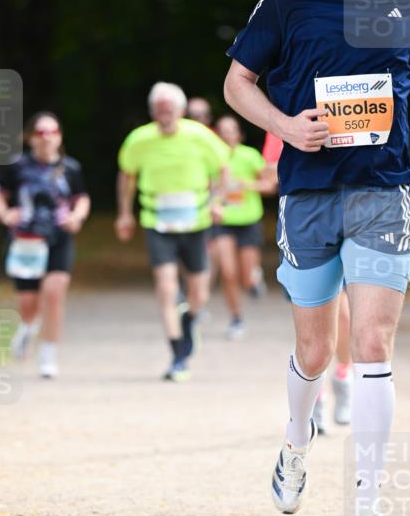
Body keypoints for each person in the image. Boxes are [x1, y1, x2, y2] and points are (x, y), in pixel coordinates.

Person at [224, 0, 410, 516]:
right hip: (308, 195)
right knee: (316, 351)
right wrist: (285, 128)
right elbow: (237, 83)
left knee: (373, 345)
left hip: (383, 190)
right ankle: (296, 441)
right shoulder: (287, 2)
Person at [115, 82, 229, 382]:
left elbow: (223, 168)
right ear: (153, 111)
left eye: (169, 110)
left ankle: (189, 320)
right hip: (157, 223)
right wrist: (125, 214)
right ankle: (178, 356)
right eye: (159, 110)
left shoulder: (200, 135)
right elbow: (127, 176)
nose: (164, 115)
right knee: (166, 288)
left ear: (180, 110)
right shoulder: (139, 140)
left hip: (196, 223)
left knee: (199, 294)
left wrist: (219, 200)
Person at [263, 130, 353, 432]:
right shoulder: (286, 117)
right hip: (305, 220)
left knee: (342, 313)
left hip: (350, 211)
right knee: (310, 323)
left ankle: (343, 376)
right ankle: (317, 398)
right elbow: (269, 173)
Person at [0, 112, 90, 379]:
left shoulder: (71, 168)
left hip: (58, 238)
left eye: (52, 132)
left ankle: (48, 355)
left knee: (54, 293)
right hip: (26, 242)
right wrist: (4, 214)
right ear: (30, 137)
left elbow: (81, 198)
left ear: (60, 137)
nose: (47, 139)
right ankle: (27, 327)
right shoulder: (17, 166)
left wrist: (76, 217)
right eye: (41, 133)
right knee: (28, 302)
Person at [210, 114, 277, 339]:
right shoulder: (211, 157)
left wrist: (245, 184)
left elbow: (270, 186)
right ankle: (236, 318)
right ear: (216, 134)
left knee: (246, 278)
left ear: (239, 134)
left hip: (248, 220)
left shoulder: (249, 156)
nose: (227, 134)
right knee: (228, 273)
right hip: (222, 221)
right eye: (223, 130)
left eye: (232, 130)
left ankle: (253, 280)